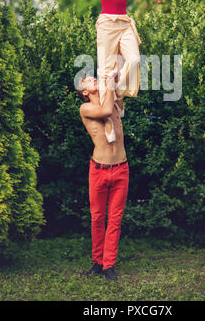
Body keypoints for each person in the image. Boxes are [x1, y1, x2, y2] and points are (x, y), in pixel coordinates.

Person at [66, 0, 162, 144]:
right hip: (107, 25)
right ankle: (109, 114)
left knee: (134, 60)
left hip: (125, 23)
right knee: (107, 71)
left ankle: (117, 94)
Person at [77, 73, 129, 281]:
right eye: (87, 80)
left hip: (121, 169)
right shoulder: (86, 108)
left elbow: (122, 90)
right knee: (97, 218)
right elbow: (105, 110)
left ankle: (109, 266)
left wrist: (114, 76)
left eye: (93, 77)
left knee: (114, 220)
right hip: (98, 170)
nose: (93, 79)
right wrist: (108, 86)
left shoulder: (114, 102)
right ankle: (97, 263)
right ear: (84, 92)